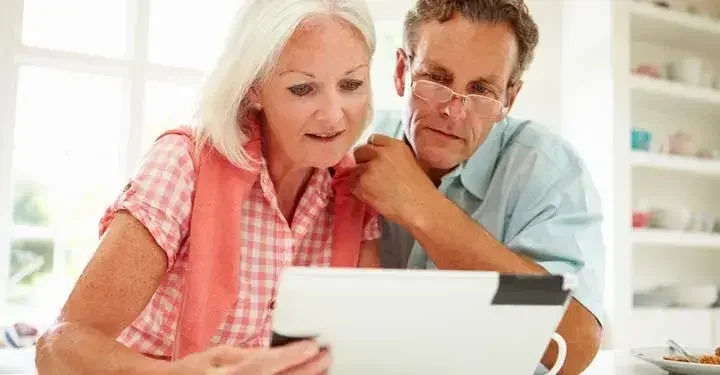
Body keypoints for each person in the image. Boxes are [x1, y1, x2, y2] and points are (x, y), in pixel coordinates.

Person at [35, 0, 380, 373]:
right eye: (302, 89)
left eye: (351, 84)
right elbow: (58, 348)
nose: (333, 114)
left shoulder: (359, 189)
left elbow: (359, 351)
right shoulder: (184, 163)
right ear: (254, 90)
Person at [352, 0, 604, 374]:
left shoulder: (549, 169)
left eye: (482, 90)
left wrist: (424, 209)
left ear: (509, 98)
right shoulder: (351, 145)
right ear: (402, 70)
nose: (454, 111)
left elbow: (576, 347)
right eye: (436, 79)